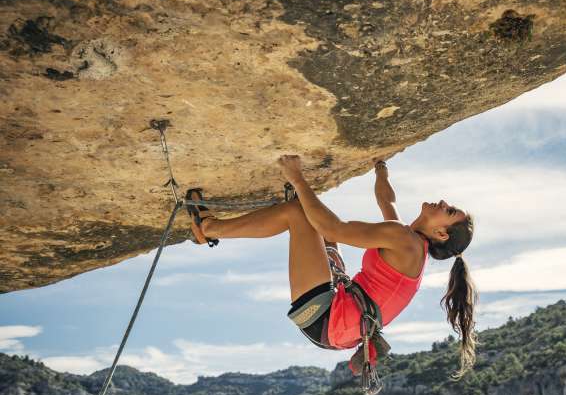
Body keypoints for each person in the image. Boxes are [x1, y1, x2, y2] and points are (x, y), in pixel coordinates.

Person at [185, 155, 477, 378]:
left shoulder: (406, 241)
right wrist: (381, 167)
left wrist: (298, 178)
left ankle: (209, 228)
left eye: (448, 211)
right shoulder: (408, 239)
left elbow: (336, 229)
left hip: (326, 317)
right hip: (338, 322)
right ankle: (282, 206)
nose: (443, 202)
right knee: (314, 217)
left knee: (300, 214)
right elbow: (386, 200)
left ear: (441, 234)